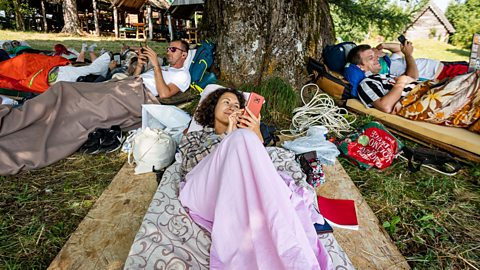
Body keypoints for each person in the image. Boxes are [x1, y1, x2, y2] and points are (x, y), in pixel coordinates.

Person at [177, 88, 332, 269]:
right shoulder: (196, 135)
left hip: (238, 194)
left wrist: (255, 131)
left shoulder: (245, 138)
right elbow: (192, 165)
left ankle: (287, 250)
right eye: (226, 102)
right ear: (212, 108)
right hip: (206, 193)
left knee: (245, 139)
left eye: (236, 105)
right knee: (242, 138)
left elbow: (259, 167)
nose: (232, 107)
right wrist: (229, 135)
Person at [0, 41, 192, 175]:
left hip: (135, 95)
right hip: (126, 85)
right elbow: (135, 76)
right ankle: (20, 119)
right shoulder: (167, 69)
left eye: (173, 49)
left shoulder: (183, 76)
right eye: (168, 48)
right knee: (65, 90)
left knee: (79, 106)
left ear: (184, 54)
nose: (168, 51)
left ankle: (26, 135)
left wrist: (156, 67)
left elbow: (165, 94)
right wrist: (141, 66)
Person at [375, 42, 468, 81]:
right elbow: (412, 76)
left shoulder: (390, 61)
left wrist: (383, 45)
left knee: (472, 65)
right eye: (371, 49)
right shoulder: (385, 69)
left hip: (444, 66)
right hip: (440, 75)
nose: (373, 48)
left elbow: (398, 50)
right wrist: (408, 55)